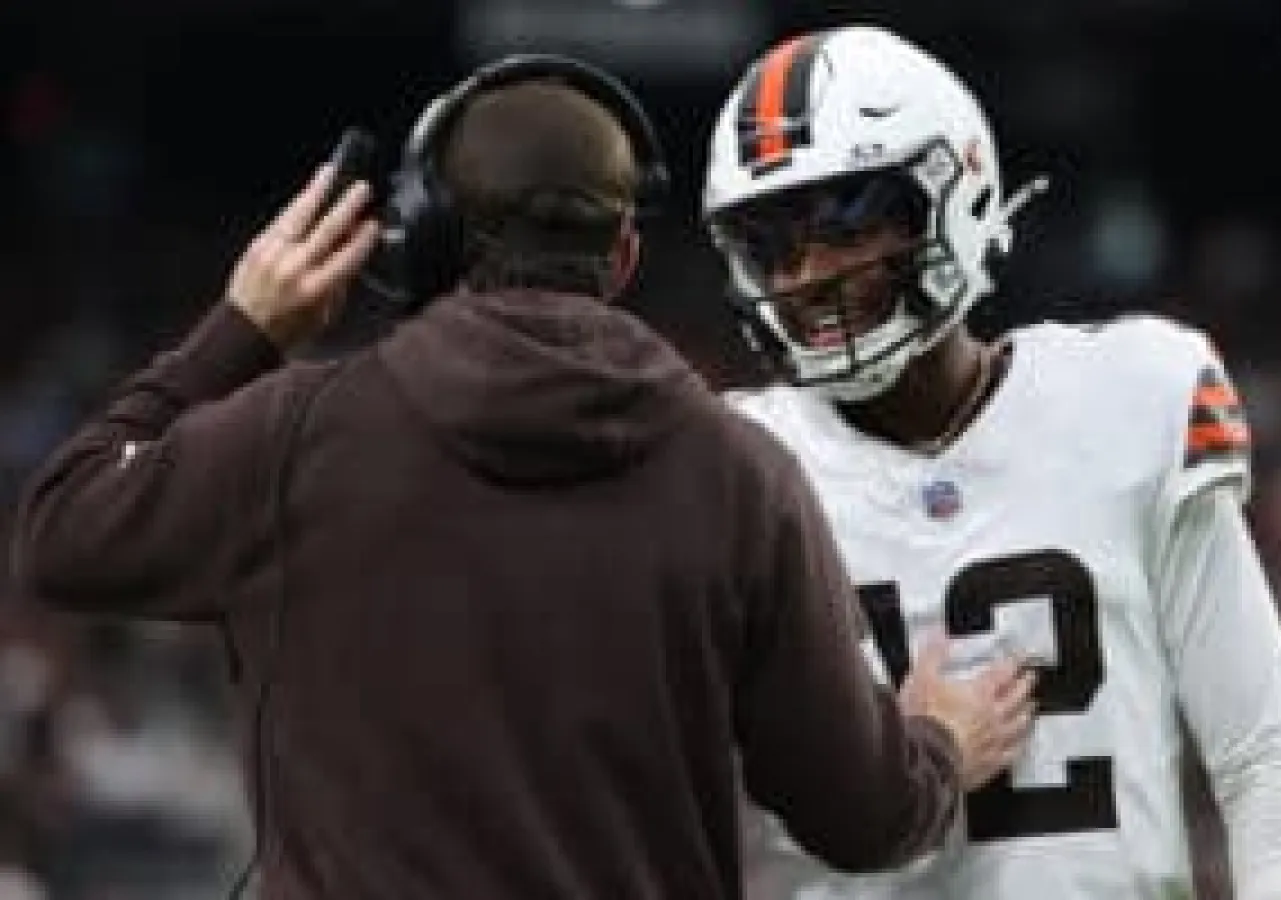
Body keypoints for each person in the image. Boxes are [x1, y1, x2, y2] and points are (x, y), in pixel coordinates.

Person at [9, 56, 1036, 899]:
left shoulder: (293, 434)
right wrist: (937, 743)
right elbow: (863, 819)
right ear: (624, 253)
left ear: (429, 237)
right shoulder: (741, 475)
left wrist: (240, 333)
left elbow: (62, 534)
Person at [703, 24, 1281, 900]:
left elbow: (1261, 756)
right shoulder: (731, 462)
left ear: (951, 193)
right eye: (774, 244)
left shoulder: (1132, 397)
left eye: (844, 224)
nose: (809, 274)